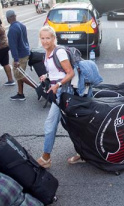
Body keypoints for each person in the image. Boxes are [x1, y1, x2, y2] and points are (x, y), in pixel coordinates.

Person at [36, 26, 75, 168]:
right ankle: (83, 152)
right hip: (57, 91)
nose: (45, 41)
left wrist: (57, 84)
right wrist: (46, 76)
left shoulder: (60, 52)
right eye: (43, 38)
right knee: (72, 124)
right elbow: (56, 71)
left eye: (48, 38)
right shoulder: (46, 53)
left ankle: (46, 158)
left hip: (63, 91)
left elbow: (70, 73)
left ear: (54, 38)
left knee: (50, 124)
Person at [6, 10, 36, 101]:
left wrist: (16, 60)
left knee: (19, 75)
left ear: (8, 18)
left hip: (20, 55)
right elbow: (24, 40)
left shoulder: (12, 29)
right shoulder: (21, 25)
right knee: (19, 74)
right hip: (25, 52)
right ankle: (20, 93)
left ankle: (38, 88)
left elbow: (13, 46)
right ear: (15, 16)